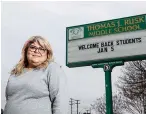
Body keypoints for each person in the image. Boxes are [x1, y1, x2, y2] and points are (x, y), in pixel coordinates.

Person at [3, 36, 68, 114]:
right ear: (26, 50)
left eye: (42, 49)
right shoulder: (16, 72)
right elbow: (10, 98)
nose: (37, 51)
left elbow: (60, 99)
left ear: (47, 54)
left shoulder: (52, 68)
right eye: (33, 47)